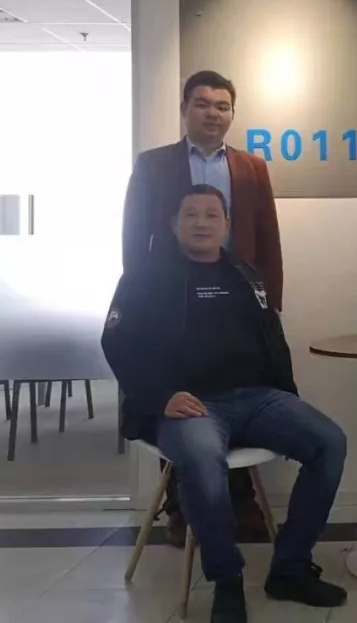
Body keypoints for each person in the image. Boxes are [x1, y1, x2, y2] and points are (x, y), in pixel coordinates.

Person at [103, 184, 347, 623]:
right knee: (201, 460)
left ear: (226, 224)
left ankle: (290, 568)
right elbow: (117, 343)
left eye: (211, 214)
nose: (201, 222)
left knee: (329, 442)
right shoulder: (144, 278)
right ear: (173, 223)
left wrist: (285, 398)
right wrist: (160, 397)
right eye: (191, 214)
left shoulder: (245, 274)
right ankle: (226, 580)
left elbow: (272, 340)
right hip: (189, 404)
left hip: (257, 398)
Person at [121, 69, 284, 546]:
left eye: (222, 106)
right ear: (185, 109)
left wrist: (269, 305)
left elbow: (268, 238)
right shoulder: (154, 164)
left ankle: (240, 503)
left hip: (236, 303)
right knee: (178, 401)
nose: (213, 113)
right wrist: (138, 298)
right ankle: (181, 507)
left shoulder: (252, 167)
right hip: (172, 302)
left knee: (239, 394)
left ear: (232, 113)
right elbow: (134, 235)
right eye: (202, 104)